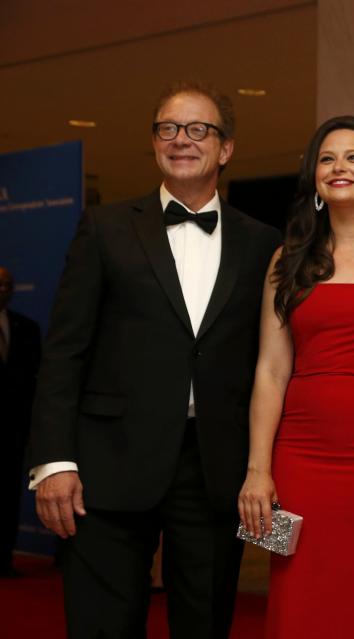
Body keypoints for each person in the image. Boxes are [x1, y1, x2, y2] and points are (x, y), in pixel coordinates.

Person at [27, 82, 281, 638]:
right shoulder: (106, 228)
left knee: (206, 624)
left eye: (198, 130)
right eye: (168, 128)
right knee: (102, 625)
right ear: (155, 142)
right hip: (106, 466)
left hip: (214, 467)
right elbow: (64, 351)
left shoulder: (264, 243)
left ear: (226, 148)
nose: (181, 140)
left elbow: (275, 359)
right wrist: (53, 461)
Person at [237, 116, 354, 639]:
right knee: (300, 593)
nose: (339, 168)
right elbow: (271, 370)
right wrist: (258, 469)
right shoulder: (286, 261)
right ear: (315, 178)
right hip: (302, 457)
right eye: (327, 158)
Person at [0, 267, 41, 578]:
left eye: (8, 284)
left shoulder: (26, 328)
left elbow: (35, 381)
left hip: (12, 429)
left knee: (9, 494)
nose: (4, 288)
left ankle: (4, 558)